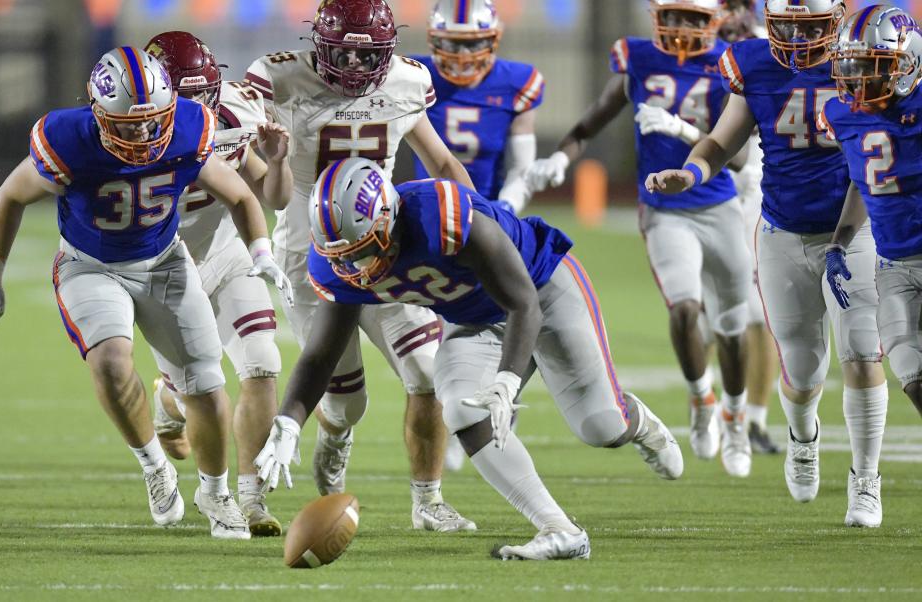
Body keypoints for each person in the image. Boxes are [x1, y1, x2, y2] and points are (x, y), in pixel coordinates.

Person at [254, 158, 683, 560]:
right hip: (473, 322)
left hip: (543, 290)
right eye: (341, 255)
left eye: (360, 251)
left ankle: (637, 421)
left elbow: (523, 304)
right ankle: (560, 530)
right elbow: (321, 355)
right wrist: (289, 422)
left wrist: (507, 381)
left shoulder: (441, 215)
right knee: (461, 408)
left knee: (600, 426)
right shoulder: (340, 261)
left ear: (386, 219)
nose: (352, 266)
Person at [0, 46, 289, 539]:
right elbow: (12, 193)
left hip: (165, 262)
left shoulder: (187, 126)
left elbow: (241, 194)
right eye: (127, 125)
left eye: (151, 122)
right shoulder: (68, 139)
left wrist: (262, 252)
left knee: (205, 383)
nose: (141, 134)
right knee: (112, 361)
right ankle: (153, 465)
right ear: (99, 115)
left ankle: (215, 491)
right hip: (90, 266)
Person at [646, 0, 889, 527]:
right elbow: (720, 141)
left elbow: (875, 154)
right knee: (802, 370)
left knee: (863, 351)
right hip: (783, 233)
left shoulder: (860, 60)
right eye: (787, 28)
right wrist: (689, 174)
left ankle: (865, 481)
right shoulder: (754, 62)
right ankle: (804, 439)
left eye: (811, 29)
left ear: (838, 20)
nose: (799, 43)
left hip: (856, 231)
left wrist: (848, 236)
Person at [244, 0, 475, 532]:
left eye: (363, 55)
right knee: (347, 403)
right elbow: (276, 199)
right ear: (319, 45)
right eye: (341, 53)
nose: (352, 66)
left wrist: (475, 223)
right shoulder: (280, 78)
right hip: (311, 257)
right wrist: (276, 159)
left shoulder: (407, 81)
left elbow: (440, 160)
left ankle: (429, 501)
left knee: (427, 374)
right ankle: (335, 434)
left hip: (384, 249)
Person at [527, 0, 753, 476]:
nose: (681, 26)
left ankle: (735, 416)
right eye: (673, 15)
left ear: (713, 21)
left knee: (732, 325)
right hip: (665, 209)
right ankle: (701, 398)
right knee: (685, 306)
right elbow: (591, 121)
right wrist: (563, 158)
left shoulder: (731, 62)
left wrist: (680, 127)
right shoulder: (639, 58)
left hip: (719, 203)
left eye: (693, 17)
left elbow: (738, 158)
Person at [143, 31, 293, 536]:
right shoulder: (129, 125)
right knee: (199, 388)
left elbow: (270, 195)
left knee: (262, 362)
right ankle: (169, 399)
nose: (194, 108)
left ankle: (250, 498)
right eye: (181, 98)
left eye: (201, 94)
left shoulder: (235, 112)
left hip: (225, 251)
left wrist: (276, 162)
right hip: (162, 266)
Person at [634, 0, 781, 455]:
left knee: (752, 316)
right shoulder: (677, 55)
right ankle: (707, 400)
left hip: (753, 189)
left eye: (737, 5)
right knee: (697, 311)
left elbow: (738, 148)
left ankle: (749, 418)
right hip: (705, 186)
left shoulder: (759, 47)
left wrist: (679, 128)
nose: (733, 12)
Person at [409, 0, 544, 471]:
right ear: (433, 40)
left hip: (491, 217)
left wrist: (503, 209)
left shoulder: (516, 83)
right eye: (451, 44)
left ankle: (498, 398)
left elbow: (521, 164)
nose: (462, 57)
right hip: (425, 221)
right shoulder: (413, 77)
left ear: (492, 42)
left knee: (501, 314)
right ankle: (463, 414)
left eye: (471, 46)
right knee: (437, 330)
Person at [817, 3, 922, 527]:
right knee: (906, 365)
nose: (861, 77)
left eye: (875, 65)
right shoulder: (841, 112)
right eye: (855, 64)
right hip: (895, 261)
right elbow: (864, 177)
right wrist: (839, 240)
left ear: (908, 63)